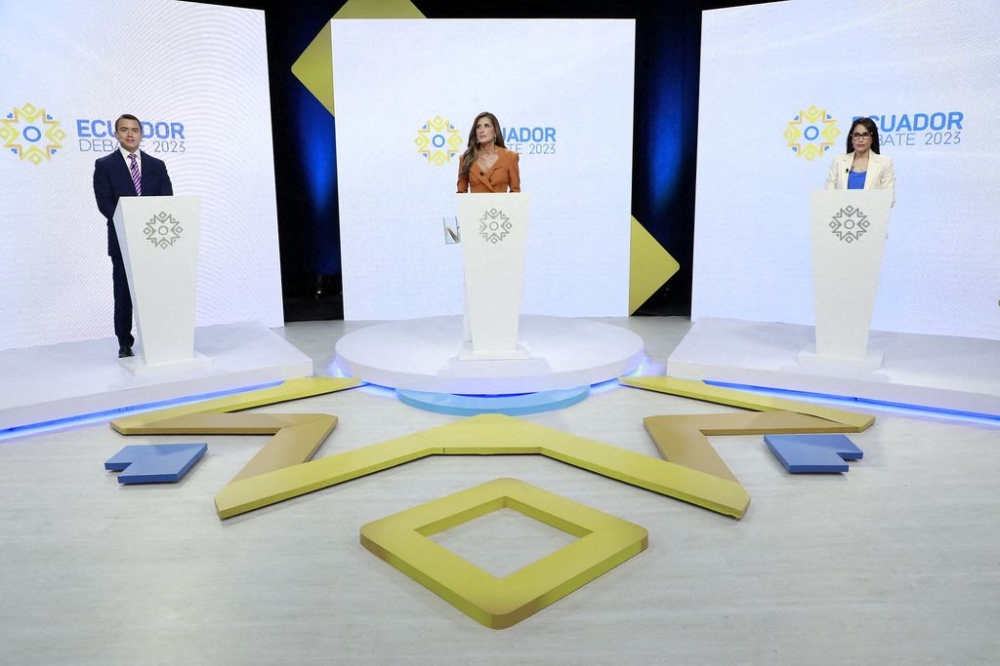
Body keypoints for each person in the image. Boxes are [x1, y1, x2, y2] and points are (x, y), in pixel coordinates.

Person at [93, 114, 173, 358]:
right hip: (123, 241)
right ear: (116, 134)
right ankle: (125, 343)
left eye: (135, 130)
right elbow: (104, 203)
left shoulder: (157, 165)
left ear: (141, 134)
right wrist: (130, 222)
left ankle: (158, 338)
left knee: (156, 291)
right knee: (124, 295)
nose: (130, 134)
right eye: (124, 130)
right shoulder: (104, 165)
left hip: (154, 241)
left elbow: (167, 200)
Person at [825, 116, 895, 206]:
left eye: (865, 135)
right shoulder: (838, 161)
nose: (860, 140)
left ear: (872, 138)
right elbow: (829, 193)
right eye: (856, 135)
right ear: (851, 138)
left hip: (871, 216)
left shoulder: (884, 163)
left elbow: (889, 199)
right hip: (841, 216)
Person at [457, 111, 521, 193]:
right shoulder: (466, 158)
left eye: (486, 126)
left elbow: (515, 193)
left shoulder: (510, 157)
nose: (481, 130)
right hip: (476, 205)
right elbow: (461, 193)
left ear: (495, 131)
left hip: (501, 205)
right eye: (478, 127)